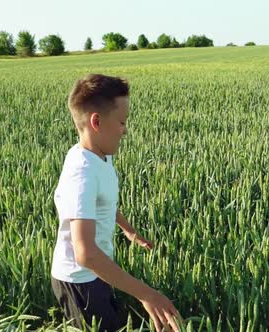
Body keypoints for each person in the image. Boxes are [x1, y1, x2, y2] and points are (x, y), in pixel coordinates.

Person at [50, 73, 183, 332]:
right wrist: (148, 294)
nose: (125, 130)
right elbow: (85, 254)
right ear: (96, 122)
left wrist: (129, 231)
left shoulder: (99, 155)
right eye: (121, 122)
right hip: (79, 282)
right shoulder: (82, 173)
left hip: (97, 272)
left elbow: (103, 203)